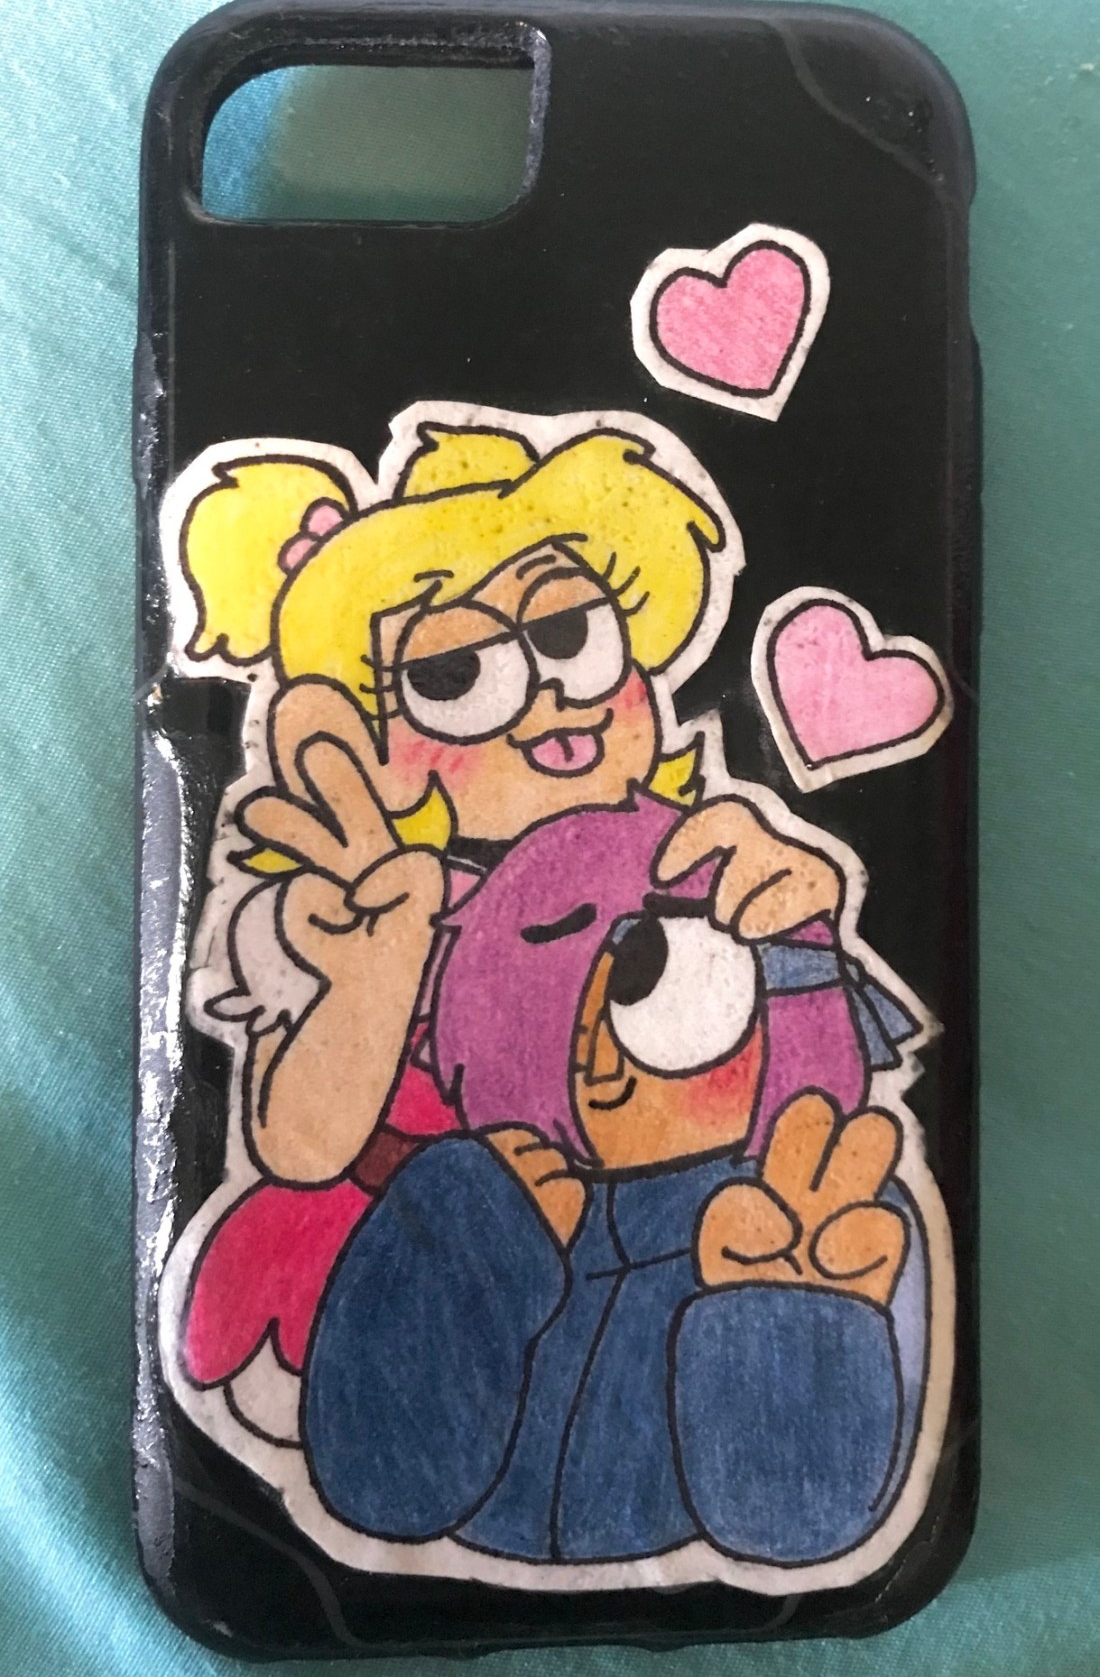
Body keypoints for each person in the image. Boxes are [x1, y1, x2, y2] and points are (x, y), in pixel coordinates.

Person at [172, 415, 853, 1437]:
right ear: (372, 749)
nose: (545, 697)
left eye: (572, 633)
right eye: (455, 675)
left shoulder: (698, 861)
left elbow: (813, 1125)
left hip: (672, 1283)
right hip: (428, 1297)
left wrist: (798, 951)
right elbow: (300, 1145)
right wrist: (374, 974)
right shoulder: (355, 907)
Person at [304, 795, 928, 1566]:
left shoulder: (813, 1218)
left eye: (648, 984)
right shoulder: (477, 1198)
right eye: (537, 1015)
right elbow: (379, 1485)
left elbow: (792, 1524)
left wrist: (791, 1318)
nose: (600, 1072)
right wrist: (466, 1235)